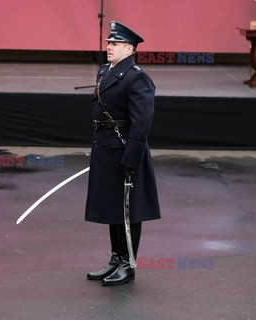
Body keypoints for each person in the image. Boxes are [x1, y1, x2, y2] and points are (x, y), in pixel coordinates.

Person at [85, 21, 161, 286]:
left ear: (129, 49)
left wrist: (132, 157)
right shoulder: (106, 70)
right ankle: (116, 259)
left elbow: (142, 123)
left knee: (129, 209)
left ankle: (129, 264)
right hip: (106, 148)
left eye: (114, 44)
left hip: (126, 149)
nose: (108, 47)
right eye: (108, 43)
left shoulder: (137, 76)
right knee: (112, 206)